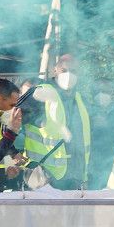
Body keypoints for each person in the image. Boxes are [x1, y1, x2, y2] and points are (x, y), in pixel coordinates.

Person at [25, 54, 91, 189]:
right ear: (55, 70)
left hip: (76, 176)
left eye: (74, 71)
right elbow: (12, 122)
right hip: (45, 177)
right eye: (64, 70)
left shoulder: (80, 99)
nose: (69, 75)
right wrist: (13, 156)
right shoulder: (40, 93)